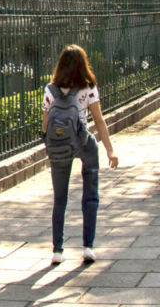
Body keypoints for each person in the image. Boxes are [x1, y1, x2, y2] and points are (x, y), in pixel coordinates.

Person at [41, 44, 118, 265]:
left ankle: (57, 251)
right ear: (83, 65)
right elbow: (99, 121)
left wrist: (51, 147)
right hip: (84, 143)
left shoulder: (50, 90)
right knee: (90, 196)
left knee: (60, 199)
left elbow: (45, 125)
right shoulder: (88, 88)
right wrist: (110, 150)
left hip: (60, 146)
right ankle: (88, 248)